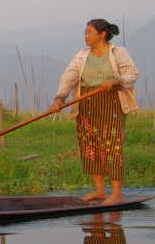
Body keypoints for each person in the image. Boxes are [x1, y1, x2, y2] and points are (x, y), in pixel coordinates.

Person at [49, 19, 139, 204]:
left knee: (112, 146)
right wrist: (59, 99)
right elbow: (69, 77)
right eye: (85, 32)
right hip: (86, 104)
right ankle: (99, 191)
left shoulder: (118, 53)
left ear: (102, 34)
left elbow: (132, 74)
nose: (86, 36)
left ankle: (116, 194)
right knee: (90, 145)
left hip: (111, 103)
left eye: (89, 32)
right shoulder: (82, 56)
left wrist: (116, 81)